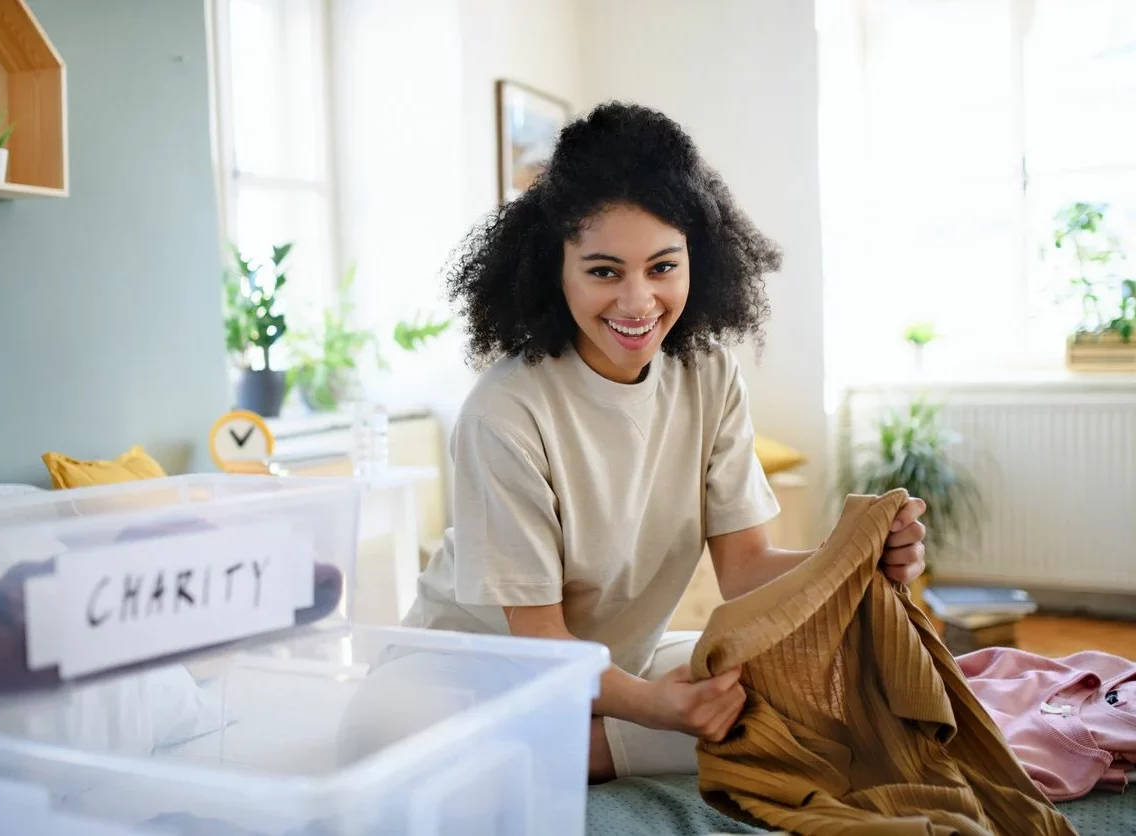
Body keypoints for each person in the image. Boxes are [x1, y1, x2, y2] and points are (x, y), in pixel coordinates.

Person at [341, 101, 927, 782]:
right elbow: (541, 647)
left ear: (696, 262)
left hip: (617, 667)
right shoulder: (504, 412)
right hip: (469, 679)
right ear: (553, 269)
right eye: (603, 270)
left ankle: (581, 748)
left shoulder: (709, 376)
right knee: (384, 742)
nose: (637, 301)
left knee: (842, 694)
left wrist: (854, 556)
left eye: (662, 266)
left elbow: (746, 567)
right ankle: (596, 747)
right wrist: (657, 709)